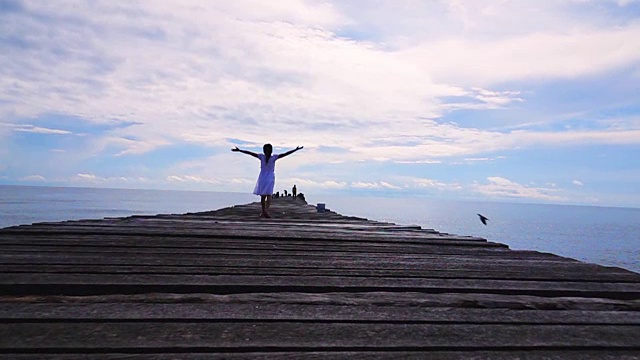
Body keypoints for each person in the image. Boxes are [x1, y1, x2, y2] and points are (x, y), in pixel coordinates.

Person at [232, 144, 303, 218]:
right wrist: (240, 150)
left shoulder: (274, 157)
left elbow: (285, 154)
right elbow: (250, 153)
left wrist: (295, 150)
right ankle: (264, 212)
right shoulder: (261, 156)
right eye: (265, 149)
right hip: (262, 176)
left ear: (271, 150)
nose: (267, 151)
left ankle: (266, 211)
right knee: (263, 195)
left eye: (268, 149)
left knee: (269, 194)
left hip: (270, 176)